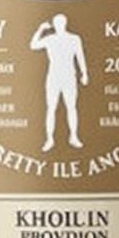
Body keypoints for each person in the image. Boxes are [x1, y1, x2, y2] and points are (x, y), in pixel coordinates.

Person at [30, 13, 89, 151]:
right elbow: (33, 45)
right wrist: (40, 30)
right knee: (51, 108)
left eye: (61, 23)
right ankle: (49, 139)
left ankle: (73, 136)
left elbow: (80, 56)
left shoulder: (74, 39)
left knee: (71, 107)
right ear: (55, 25)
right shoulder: (50, 39)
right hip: (54, 76)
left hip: (69, 75)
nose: (59, 25)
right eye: (57, 23)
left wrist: (84, 73)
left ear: (65, 23)